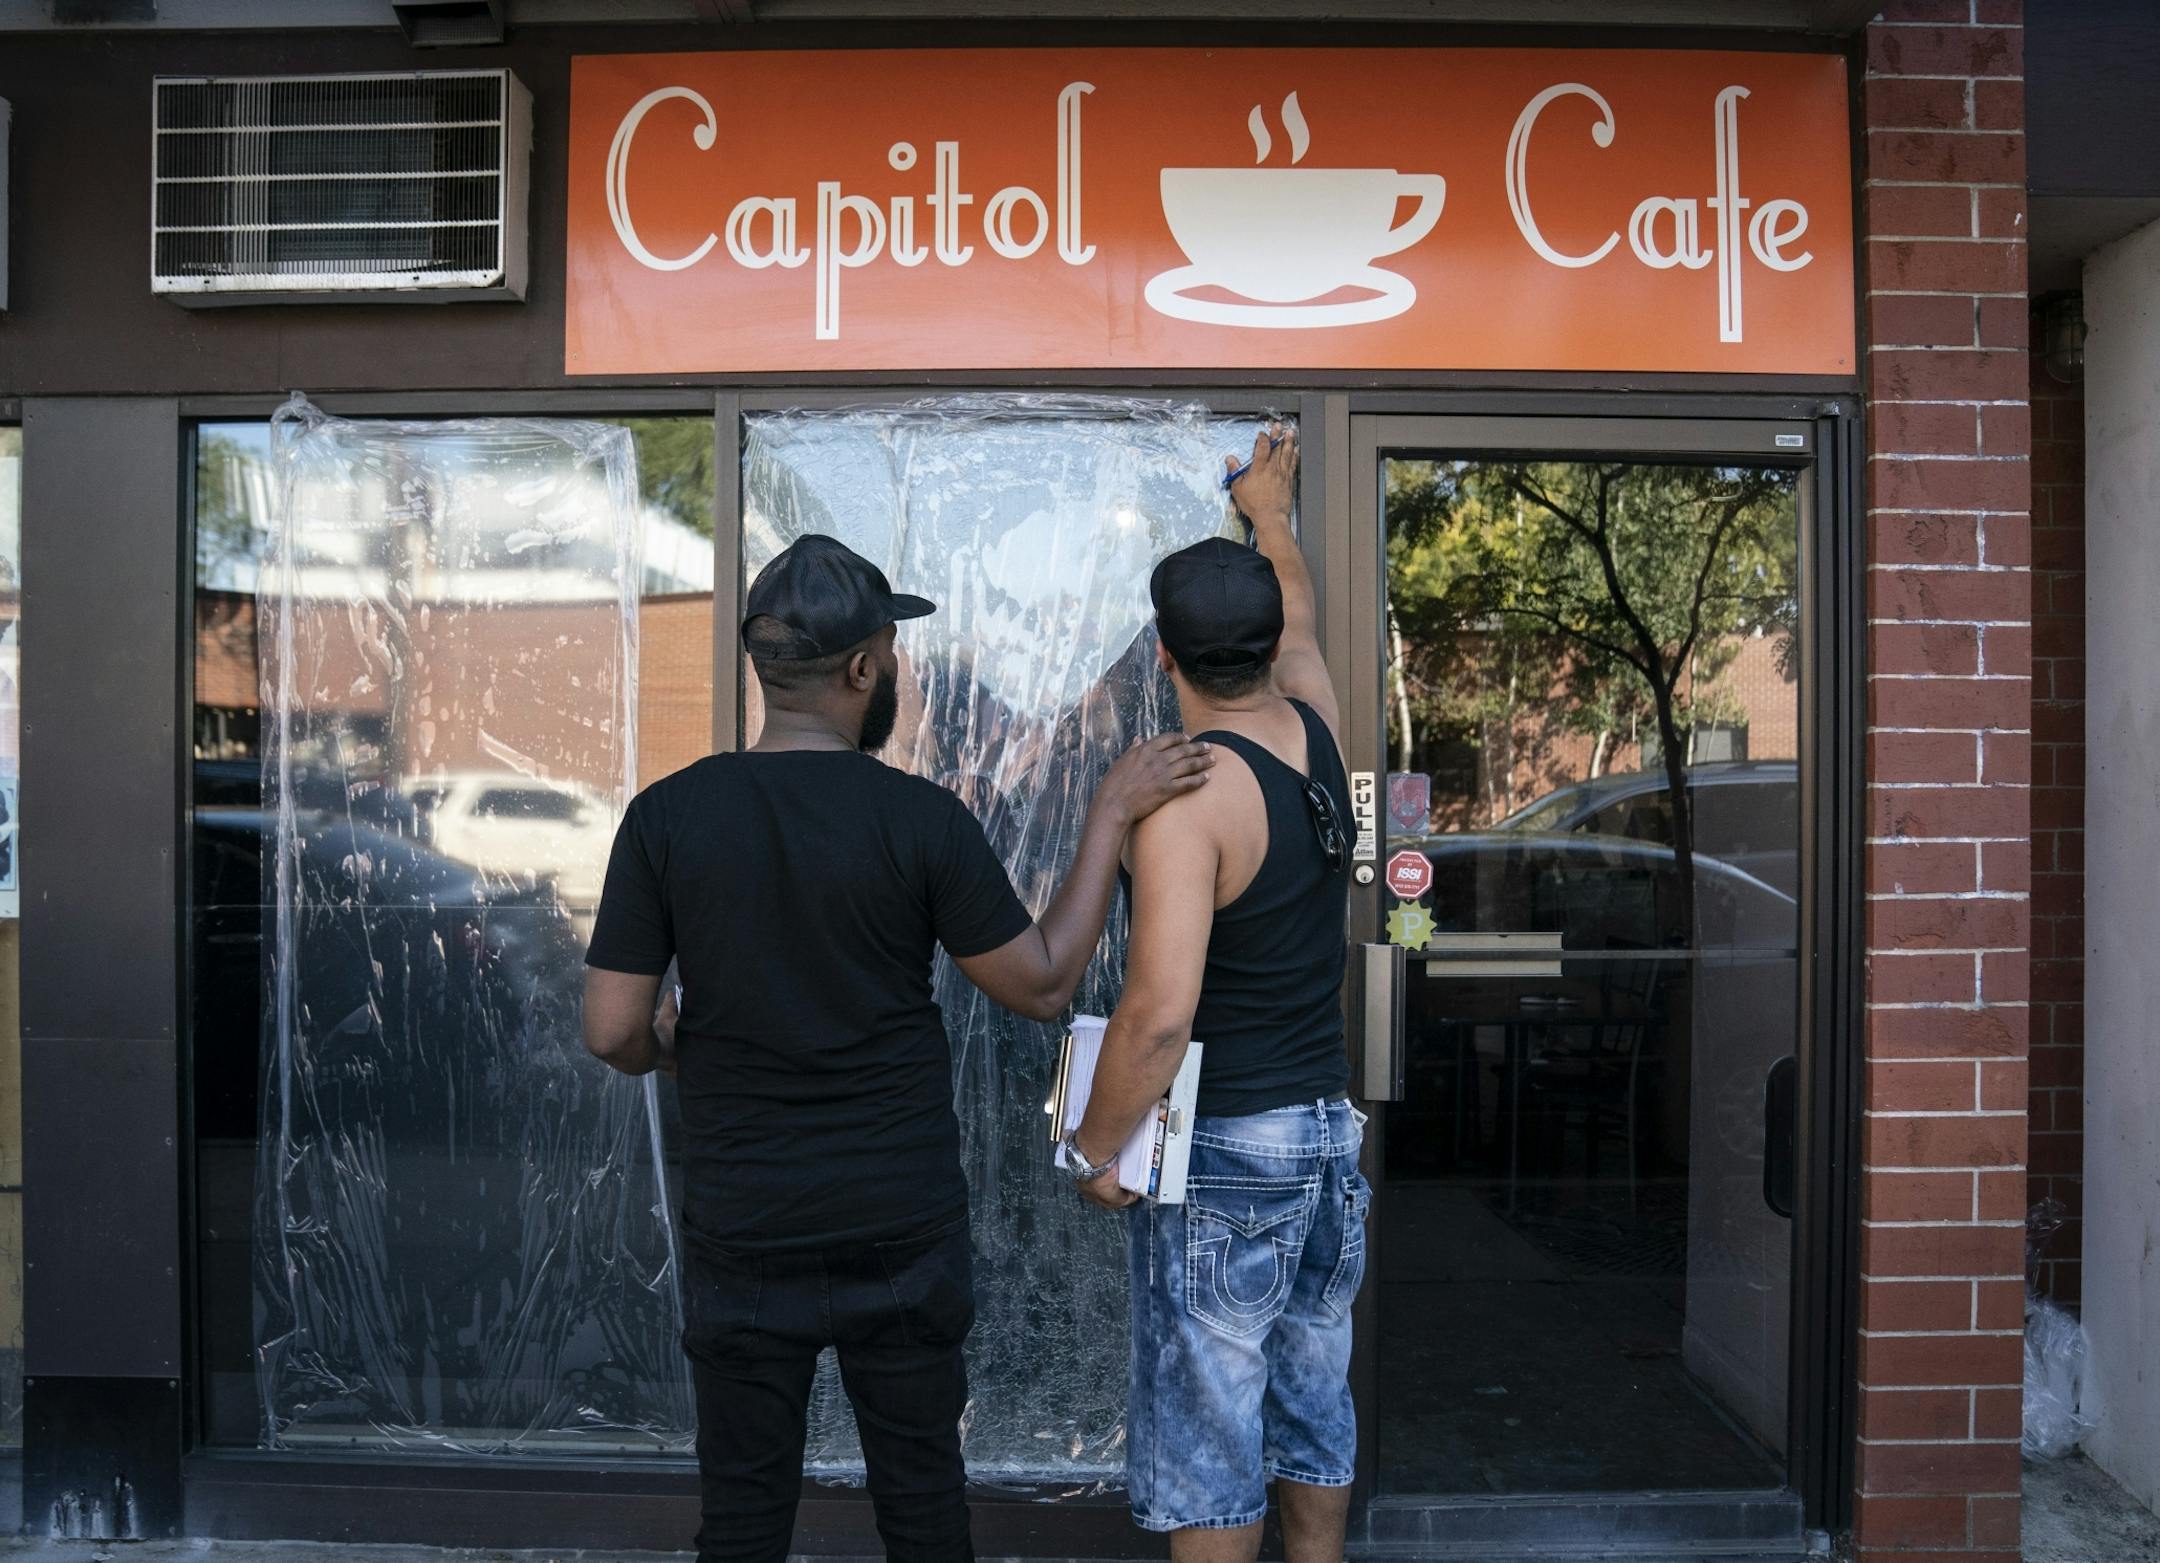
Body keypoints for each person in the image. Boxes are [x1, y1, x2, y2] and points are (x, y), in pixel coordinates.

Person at [581, 533, 1214, 1563]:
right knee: (923, 1507)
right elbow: (1046, 982)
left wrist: (668, 1042)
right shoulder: (919, 820)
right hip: (898, 1227)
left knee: (741, 1518)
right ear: (864, 669)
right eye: (894, 653)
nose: (900, 673)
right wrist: (1109, 813)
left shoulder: (666, 817)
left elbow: (611, 1028)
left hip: (744, 1227)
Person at [1065, 429, 1365, 1563]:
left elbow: (1157, 1015)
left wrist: (1095, 1149)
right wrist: (1272, 518)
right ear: (1267, 648)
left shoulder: (1189, 800)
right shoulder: (1317, 733)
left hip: (1233, 1151)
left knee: (1209, 1441)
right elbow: (1303, 625)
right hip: (1330, 1141)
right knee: (1310, 1411)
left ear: (1163, 657)